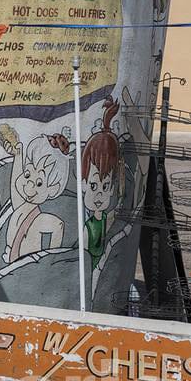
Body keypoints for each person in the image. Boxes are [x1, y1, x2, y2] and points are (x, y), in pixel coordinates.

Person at [0, 125, 71, 263]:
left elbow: (58, 225)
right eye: (27, 174)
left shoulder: (39, 219)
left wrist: (51, 260)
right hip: (11, 266)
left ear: (53, 189)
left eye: (39, 183)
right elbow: (16, 187)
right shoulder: (22, 206)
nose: (29, 185)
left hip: (25, 268)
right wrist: (18, 155)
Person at [81, 97, 120, 270]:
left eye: (105, 187)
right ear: (83, 185)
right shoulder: (88, 227)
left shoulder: (106, 218)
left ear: (111, 188)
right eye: (93, 186)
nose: (99, 194)